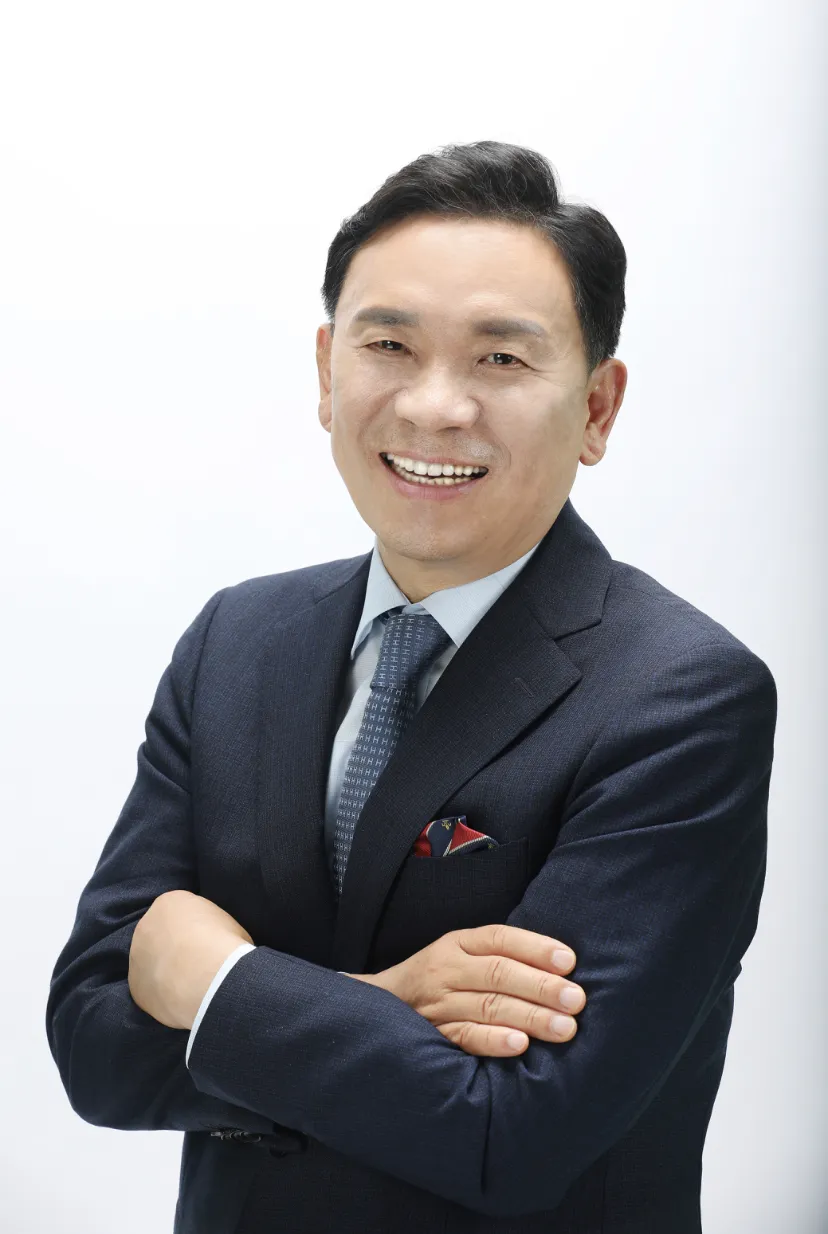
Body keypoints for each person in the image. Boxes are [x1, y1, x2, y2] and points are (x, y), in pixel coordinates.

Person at [46, 140, 777, 1234]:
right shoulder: (238, 641)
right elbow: (93, 1046)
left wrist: (217, 982)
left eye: (500, 358)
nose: (435, 407)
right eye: (389, 344)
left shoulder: (679, 697)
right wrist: (379, 1006)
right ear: (326, 370)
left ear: (597, 407)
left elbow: (511, 1135)